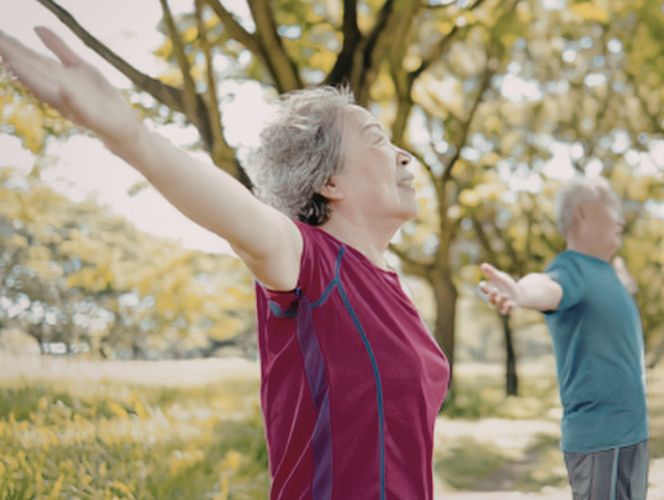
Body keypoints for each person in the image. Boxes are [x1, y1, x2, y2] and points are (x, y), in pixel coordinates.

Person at [0, 28, 449, 499]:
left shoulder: (391, 287)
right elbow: (241, 216)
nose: (403, 155)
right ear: (329, 181)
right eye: (377, 139)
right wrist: (128, 134)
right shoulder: (308, 260)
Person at [479, 177, 649, 500]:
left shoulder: (609, 272)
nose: (620, 219)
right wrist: (519, 292)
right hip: (599, 437)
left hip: (634, 434)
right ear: (583, 213)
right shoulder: (572, 268)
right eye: (612, 207)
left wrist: (625, 282)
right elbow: (547, 285)